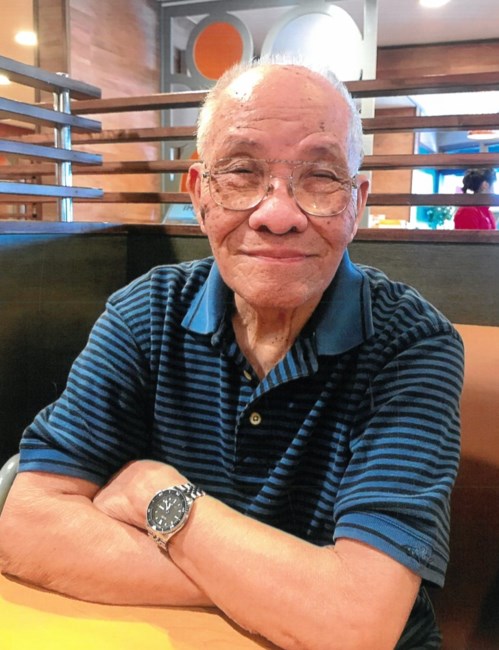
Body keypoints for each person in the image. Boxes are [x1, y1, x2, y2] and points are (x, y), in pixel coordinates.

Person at [0, 58, 464, 650]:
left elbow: (356, 623)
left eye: (321, 177)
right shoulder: (147, 312)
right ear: (200, 195)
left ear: (357, 204)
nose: (278, 215)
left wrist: (152, 489)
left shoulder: (412, 345)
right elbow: (27, 524)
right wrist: (278, 590)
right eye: (242, 172)